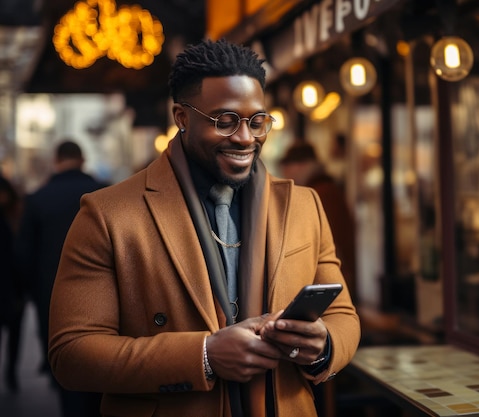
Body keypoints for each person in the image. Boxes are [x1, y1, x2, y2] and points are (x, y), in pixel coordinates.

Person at [48, 38, 360, 417]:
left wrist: (323, 345)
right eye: (225, 121)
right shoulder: (106, 214)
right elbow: (72, 354)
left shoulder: (304, 205)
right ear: (182, 118)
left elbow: (343, 316)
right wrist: (205, 355)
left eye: (257, 121)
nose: (246, 138)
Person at [15, 140, 106, 416]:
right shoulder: (108, 192)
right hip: (105, 295)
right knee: (104, 366)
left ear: (57, 160)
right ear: (82, 159)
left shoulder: (37, 199)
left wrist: (30, 293)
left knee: (67, 370)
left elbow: (24, 256)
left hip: (52, 297)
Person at [279, 141, 357, 303]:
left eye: (288, 166)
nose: (285, 173)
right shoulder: (324, 189)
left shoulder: (318, 194)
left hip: (329, 277)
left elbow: (324, 242)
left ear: (303, 165)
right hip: (333, 274)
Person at [0, 174, 25, 392]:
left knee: (15, 336)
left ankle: (11, 373)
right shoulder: (14, 218)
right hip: (12, 287)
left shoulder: (16, 217)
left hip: (14, 288)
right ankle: (10, 374)